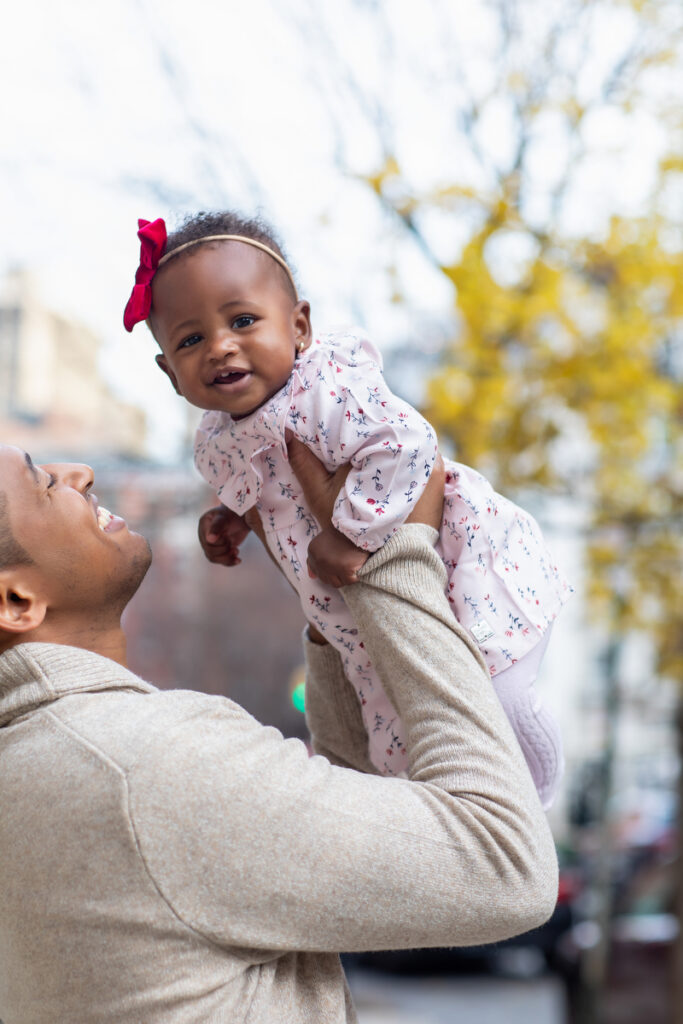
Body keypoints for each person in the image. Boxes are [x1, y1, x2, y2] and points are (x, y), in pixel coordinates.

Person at [0, 441, 557, 1023]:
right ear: (16, 602)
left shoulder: (45, 762)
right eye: (42, 484)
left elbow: (362, 852)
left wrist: (331, 611)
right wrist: (389, 554)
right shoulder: (145, 767)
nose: (81, 471)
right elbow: (504, 865)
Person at [123, 212, 571, 807]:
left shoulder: (328, 388)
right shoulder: (215, 442)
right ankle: (464, 825)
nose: (220, 346)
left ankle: (533, 793)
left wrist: (353, 533)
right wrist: (229, 520)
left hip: (459, 565)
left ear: (299, 325)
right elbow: (264, 493)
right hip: (350, 611)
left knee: (493, 692)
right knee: (398, 738)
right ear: (169, 373)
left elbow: (407, 446)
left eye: (242, 321)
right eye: (190, 339)